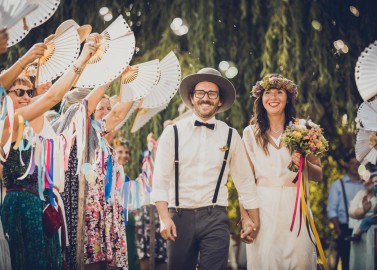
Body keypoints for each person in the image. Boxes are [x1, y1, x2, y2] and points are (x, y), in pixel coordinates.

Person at [151, 67, 260, 270]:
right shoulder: (172, 133)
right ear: (192, 98)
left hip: (215, 216)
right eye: (200, 93)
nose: (205, 98)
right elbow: (160, 180)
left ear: (219, 101)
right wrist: (164, 218)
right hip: (179, 217)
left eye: (212, 94)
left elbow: (244, 182)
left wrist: (252, 221)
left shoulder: (230, 135)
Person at [242, 74, 323, 270]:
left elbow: (318, 175)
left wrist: (304, 164)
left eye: (279, 92)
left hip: (295, 204)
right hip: (262, 207)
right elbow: (245, 182)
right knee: (266, 260)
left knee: (300, 259)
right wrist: (246, 218)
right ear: (261, 99)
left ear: (288, 98)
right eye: (268, 93)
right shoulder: (250, 133)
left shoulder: (304, 128)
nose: (273, 97)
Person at [327, 152, 364, 270]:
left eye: (357, 164)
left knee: (362, 260)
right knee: (346, 261)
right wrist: (338, 229)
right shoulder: (338, 185)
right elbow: (332, 210)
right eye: (352, 163)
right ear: (347, 165)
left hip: (362, 227)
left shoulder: (364, 185)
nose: (355, 166)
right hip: (345, 227)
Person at [113, 138, 141, 270]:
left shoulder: (128, 179)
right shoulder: (109, 175)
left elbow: (133, 204)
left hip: (126, 224)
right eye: (120, 151)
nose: (124, 155)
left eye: (126, 152)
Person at [349, 171, 377, 269]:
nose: (366, 183)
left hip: (374, 234)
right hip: (360, 239)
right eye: (364, 181)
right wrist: (364, 210)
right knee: (360, 262)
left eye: (369, 180)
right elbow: (351, 211)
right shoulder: (360, 194)